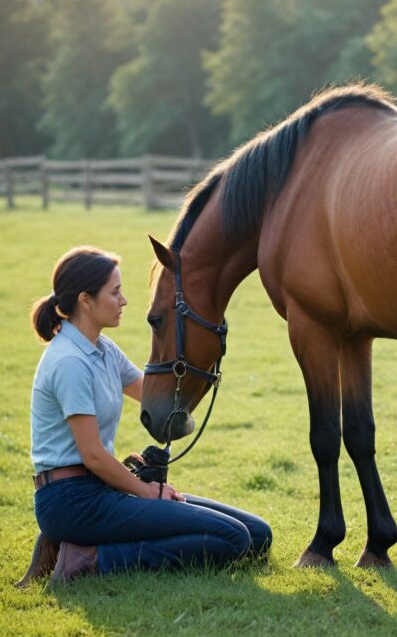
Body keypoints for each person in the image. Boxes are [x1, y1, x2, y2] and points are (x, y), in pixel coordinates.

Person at [17, 245, 271, 587]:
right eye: (115, 292)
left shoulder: (103, 350)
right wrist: (147, 492)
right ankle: (87, 559)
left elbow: (155, 395)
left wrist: (202, 365)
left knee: (257, 535)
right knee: (233, 540)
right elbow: (92, 455)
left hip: (100, 490)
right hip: (71, 502)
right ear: (86, 301)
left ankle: (84, 544)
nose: (124, 301)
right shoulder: (69, 363)